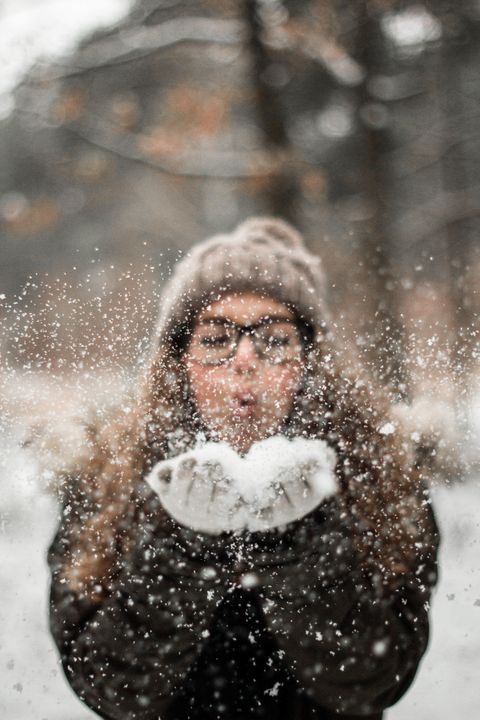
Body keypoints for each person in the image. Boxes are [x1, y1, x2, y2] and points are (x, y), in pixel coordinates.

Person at [47, 217, 439, 720]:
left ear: (311, 360)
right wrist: (184, 551)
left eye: (274, 338)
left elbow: (374, 680)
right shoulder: (109, 476)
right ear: (178, 359)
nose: (245, 359)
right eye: (216, 339)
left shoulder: (382, 473)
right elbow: (110, 688)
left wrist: (299, 544)